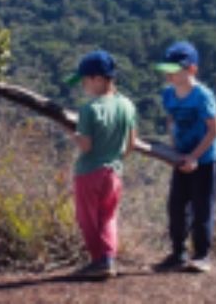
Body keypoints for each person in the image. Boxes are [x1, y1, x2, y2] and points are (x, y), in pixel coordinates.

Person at [67, 49, 138, 279]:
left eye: (85, 80)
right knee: (108, 216)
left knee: (87, 218)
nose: (83, 86)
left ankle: (97, 260)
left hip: (89, 172)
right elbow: (132, 142)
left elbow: (86, 146)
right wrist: (117, 158)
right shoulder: (127, 105)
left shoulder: (89, 109)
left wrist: (72, 134)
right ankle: (108, 259)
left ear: (98, 79)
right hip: (114, 171)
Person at [152, 40, 216, 273]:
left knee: (202, 208)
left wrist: (194, 157)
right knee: (176, 207)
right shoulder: (168, 94)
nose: (169, 74)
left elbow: (214, 130)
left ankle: (202, 256)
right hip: (181, 158)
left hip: (204, 159)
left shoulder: (203, 95)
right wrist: (175, 150)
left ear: (192, 69)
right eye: (167, 69)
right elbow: (171, 119)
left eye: (175, 69)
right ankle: (178, 254)